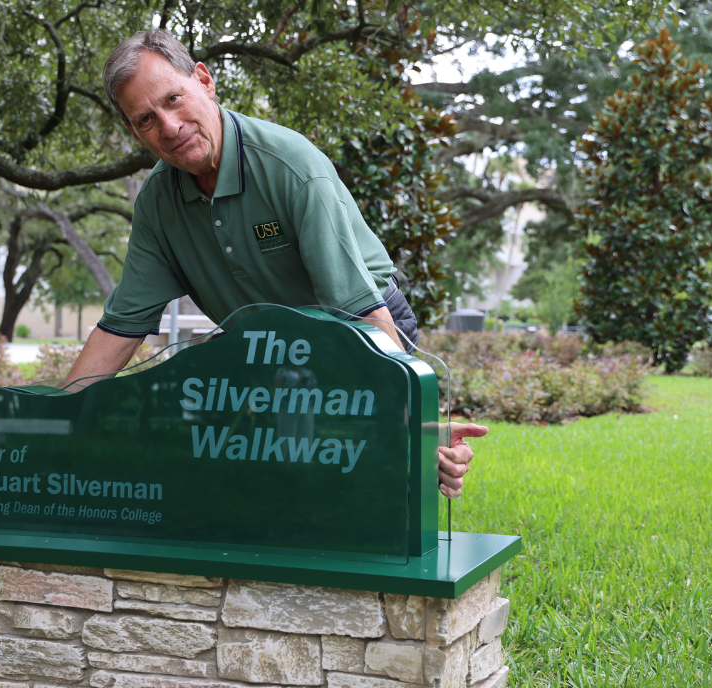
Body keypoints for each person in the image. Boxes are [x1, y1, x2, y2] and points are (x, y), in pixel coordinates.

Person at [65, 29, 485, 498]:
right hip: (262, 348)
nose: (169, 126)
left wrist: (418, 430)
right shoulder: (157, 205)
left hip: (361, 327)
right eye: (146, 118)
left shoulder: (291, 166)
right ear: (134, 131)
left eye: (174, 99)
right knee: (264, 499)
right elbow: (122, 327)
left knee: (375, 489)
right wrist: (59, 420)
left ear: (204, 80)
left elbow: (359, 312)